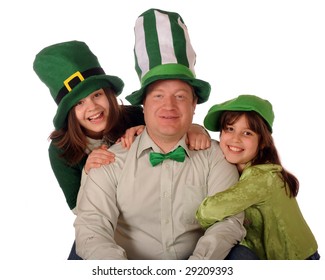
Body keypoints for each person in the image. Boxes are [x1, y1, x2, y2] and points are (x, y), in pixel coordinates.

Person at [74, 8, 245, 260]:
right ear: (144, 105)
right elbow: (92, 227)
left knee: (244, 256)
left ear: (194, 104)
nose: (169, 106)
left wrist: (197, 269)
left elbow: (228, 221)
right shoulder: (109, 161)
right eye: (158, 96)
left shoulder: (217, 156)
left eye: (180, 96)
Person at [33, 40, 211, 259]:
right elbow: (83, 214)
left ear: (108, 94)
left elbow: (172, 123)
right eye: (79, 103)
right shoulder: (61, 150)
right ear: (68, 111)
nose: (92, 107)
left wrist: (194, 127)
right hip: (107, 226)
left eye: (97, 95)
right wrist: (89, 175)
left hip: (152, 217)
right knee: (83, 251)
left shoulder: (135, 116)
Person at [196, 94, 320, 260]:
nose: (235, 139)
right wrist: (196, 130)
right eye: (229, 129)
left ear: (262, 142)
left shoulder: (262, 177)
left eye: (247, 133)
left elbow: (209, 211)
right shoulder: (235, 168)